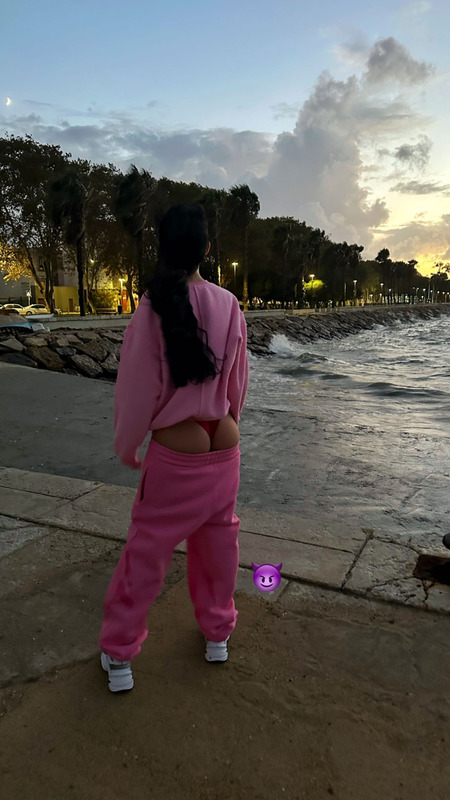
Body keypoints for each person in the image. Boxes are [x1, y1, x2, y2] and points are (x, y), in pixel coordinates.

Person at [99, 204, 249, 692]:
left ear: (163, 248)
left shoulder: (152, 306)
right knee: (218, 545)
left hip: (177, 454)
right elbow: (238, 383)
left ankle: (119, 657)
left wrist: (128, 447)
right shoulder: (229, 304)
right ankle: (217, 635)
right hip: (224, 444)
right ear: (207, 248)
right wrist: (230, 420)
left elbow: (137, 389)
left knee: (147, 552)